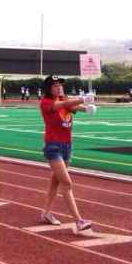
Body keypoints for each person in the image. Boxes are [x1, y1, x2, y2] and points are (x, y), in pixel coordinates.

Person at [39, 75, 95, 233]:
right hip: (53, 146)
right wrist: (82, 99)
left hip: (66, 146)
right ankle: (79, 221)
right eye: (55, 85)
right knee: (67, 183)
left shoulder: (64, 99)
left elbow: (73, 107)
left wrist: (87, 108)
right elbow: (64, 105)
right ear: (48, 88)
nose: (59, 88)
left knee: (55, 182)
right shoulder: (46, 103)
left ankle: (46, 213)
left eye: (60, 85)